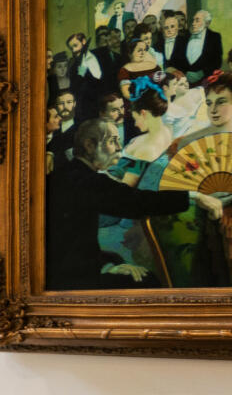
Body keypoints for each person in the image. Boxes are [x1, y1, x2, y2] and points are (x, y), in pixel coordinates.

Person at [45, 117, 222, 290]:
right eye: (113, 141)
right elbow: (137, 202)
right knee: (147, 282)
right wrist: (195, 196)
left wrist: (108, 266)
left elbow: (77, 243)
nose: (119, 147)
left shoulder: (70, 173)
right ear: (90, 145)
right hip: (68, 281)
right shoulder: (85, 180)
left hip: (71, 272)